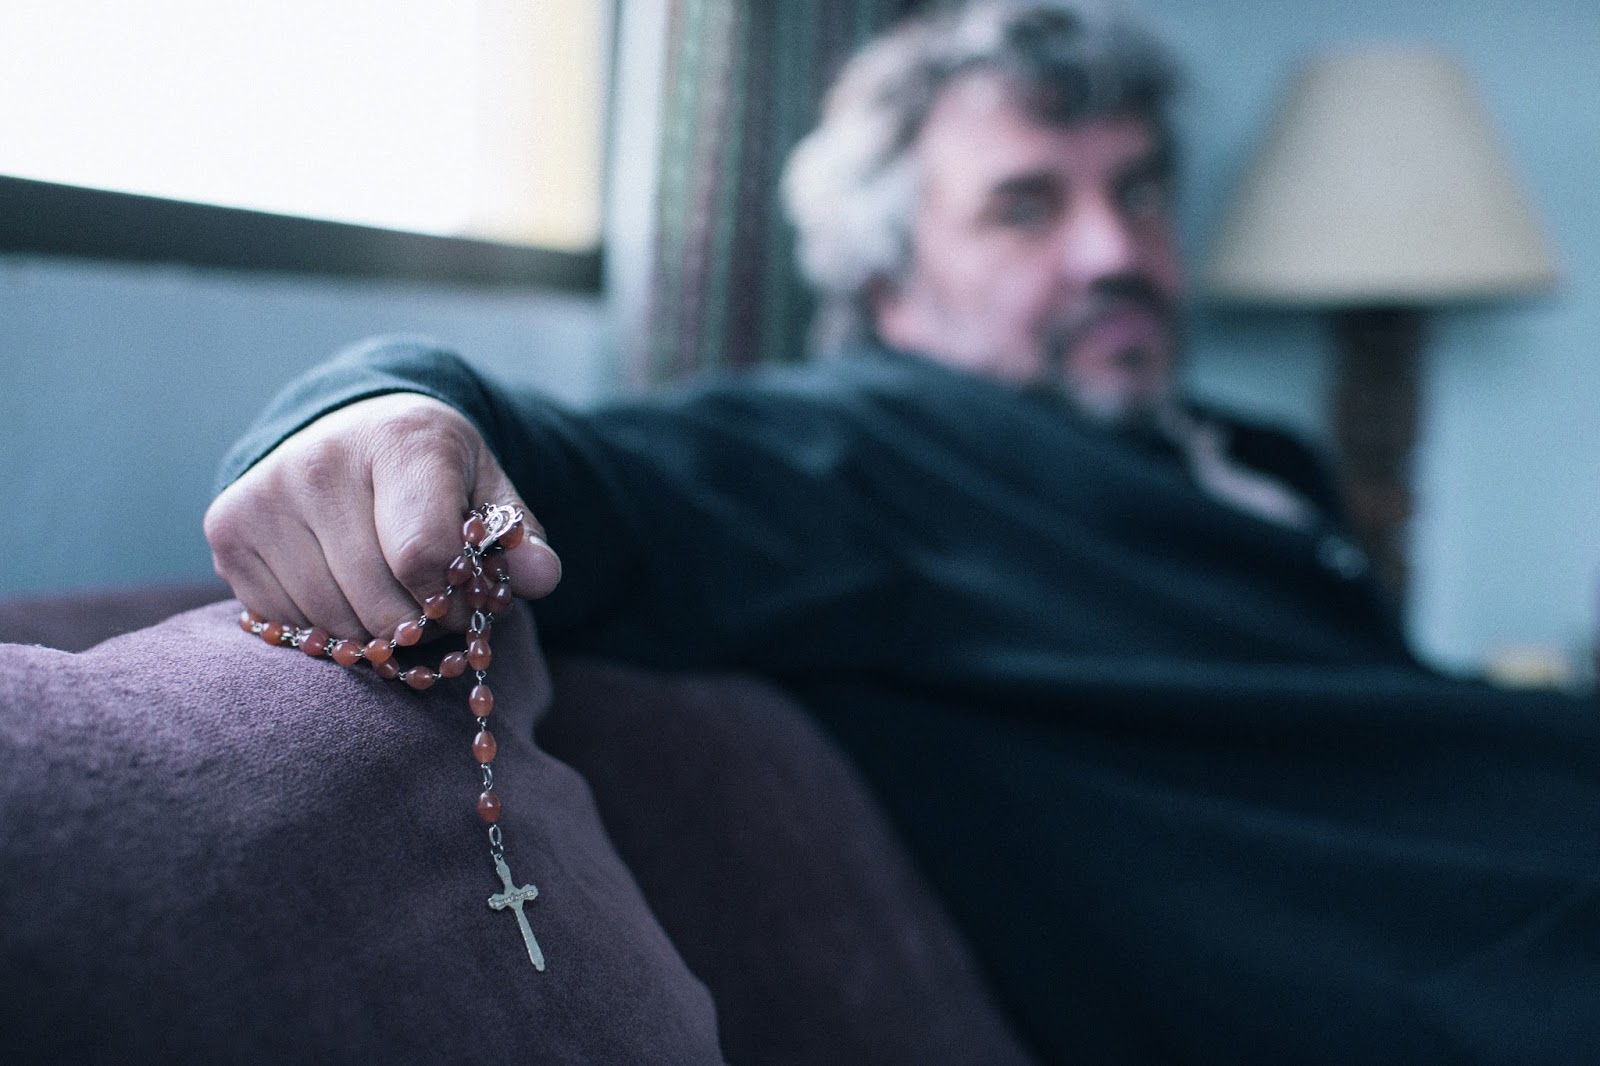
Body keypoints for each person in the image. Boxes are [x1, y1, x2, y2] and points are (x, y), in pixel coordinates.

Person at [205, 2, 1600, 1062]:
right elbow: (600, 470)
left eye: (1138, 192)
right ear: (887, 284)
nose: (1116, 251)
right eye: (1025, 207)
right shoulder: (863, 450)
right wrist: (380, 410)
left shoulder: (1256, 452)